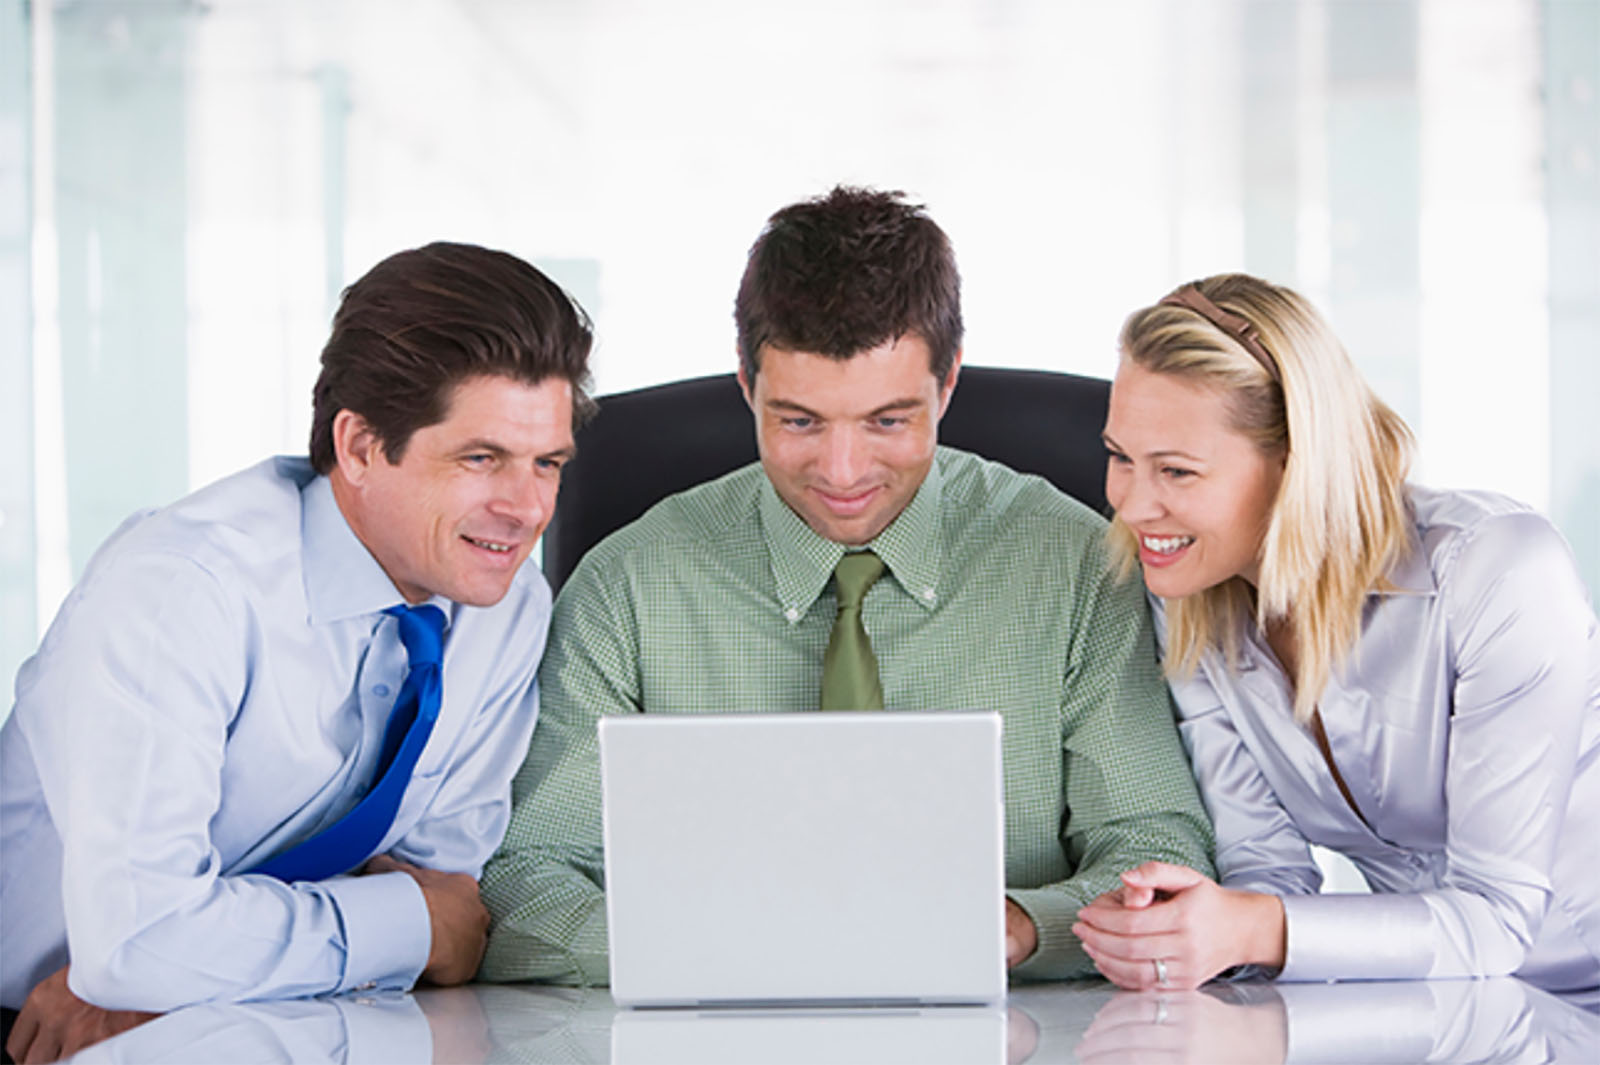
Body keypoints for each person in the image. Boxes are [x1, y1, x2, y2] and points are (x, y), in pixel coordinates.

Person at [476, 186, 1214, 986]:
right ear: (747, 386)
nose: (842, 472)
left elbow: (1155, 843)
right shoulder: (629, 585)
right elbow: (525, 883)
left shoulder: (1074, 566)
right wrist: (738, 951)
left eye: (888, 421)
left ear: (949, 385)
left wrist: (1024, 926)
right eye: (798, 421)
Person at [1, 241, 594, 1062]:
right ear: (357, 446)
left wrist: (194, 968)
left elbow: (448, 904)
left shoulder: (505, 605)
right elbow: (142, 938)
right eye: (481, 458)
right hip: (35, 1029)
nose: (528, 509)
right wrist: (401, 925)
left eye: (548, 463)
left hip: (272, 1024)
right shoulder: (182, 589)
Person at [1073, 272, 1600, 992]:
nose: (1132, 504)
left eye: (1177, 470)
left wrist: (1256, 926)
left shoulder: (1498, 573)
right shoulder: (1192, 598)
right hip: (1463, 1005)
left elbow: (1497, 917)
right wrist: (1190, 922)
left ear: (1295, 464)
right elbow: (1267, 870)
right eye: (1120, 456)